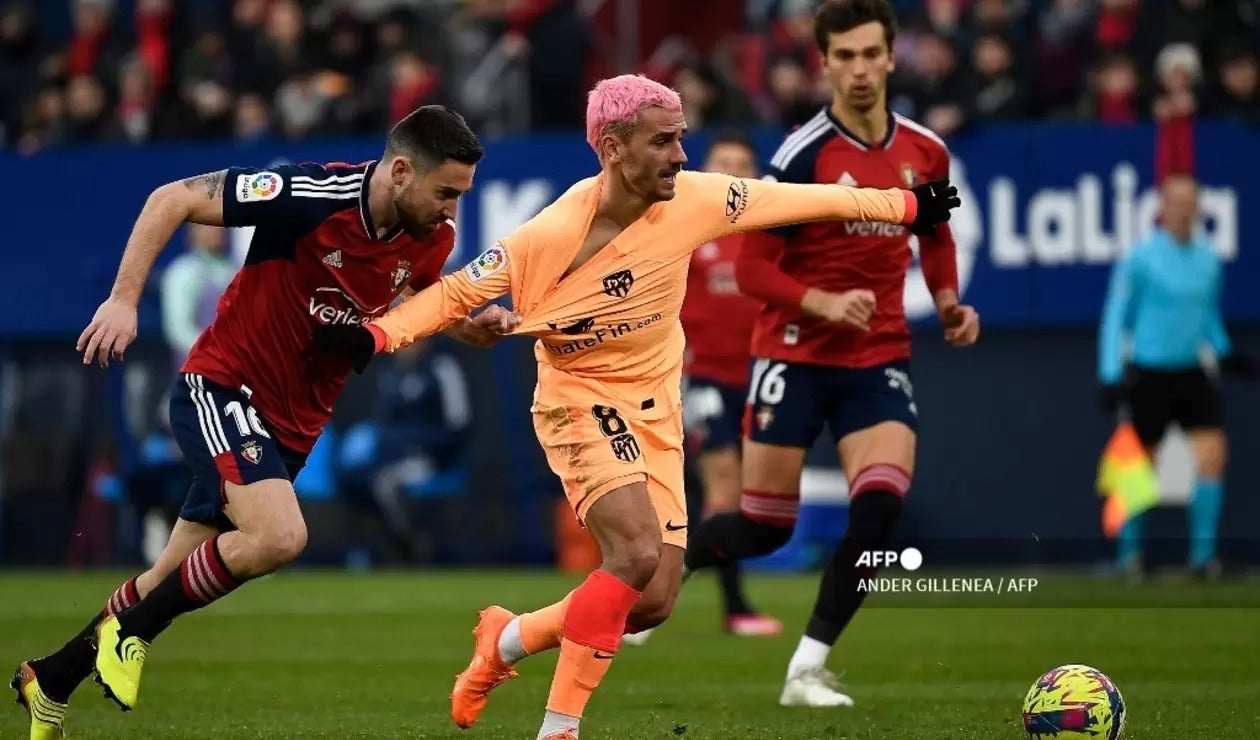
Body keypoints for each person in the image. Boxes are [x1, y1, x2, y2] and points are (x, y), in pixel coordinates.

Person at [312, 73, 960, 739]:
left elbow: (795, 199)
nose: (682, 155)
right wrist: (373, 334)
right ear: (613, 148)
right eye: (664, 142)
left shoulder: (697, 198)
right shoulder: (551, 231)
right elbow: (454, 294)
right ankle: (560, 729)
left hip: (658, 409)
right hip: (578, 399)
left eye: (680, 138)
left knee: (650, 602)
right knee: (634, 554)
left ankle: (506, 639)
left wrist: (907, 207)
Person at [10, 105, 511, 739]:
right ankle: (131, 638)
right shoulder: (307, 193)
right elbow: (171, 199)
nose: (452, 213)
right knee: (280, 537)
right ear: (402, 171)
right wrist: (124, 298)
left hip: (291, 428)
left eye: (460, 197)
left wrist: (471, 327)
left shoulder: (429, 239)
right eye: (446, 193)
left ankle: (50, 679)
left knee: (167, 577)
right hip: (222, 386)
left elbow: (422, 302)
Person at [682, 0, 981, 709]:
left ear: (891, 56)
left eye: (870, 54)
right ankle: (673, 563)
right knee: (762, 525)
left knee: (879, 508)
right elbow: (754, 269)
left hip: (878, 356)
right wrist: (821, 303)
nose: (859, 69)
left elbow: (934, 237)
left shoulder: (925, 152)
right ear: (824, 64)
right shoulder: (800, 157)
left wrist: (946, 303)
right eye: (843, 56)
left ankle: (806, 669)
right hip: (794, 353)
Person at [623, 132, 782, 648]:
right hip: (704, 379)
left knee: (735, 499)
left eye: (743, 163)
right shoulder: (685, 227)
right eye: (724, 163)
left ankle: (651, 595)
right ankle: (731, 606)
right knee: (724, 488)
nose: (734, 172)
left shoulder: (767, 232)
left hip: (759, 379)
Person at [1098, 172, 1256, 579]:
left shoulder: (1209, 262)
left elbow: (1207, 318)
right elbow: (1116, 318)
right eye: (1177, 201)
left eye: (1191, 202)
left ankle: (1203, 561)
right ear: (1162, 208)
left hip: (1192, 374)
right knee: (1138, 467)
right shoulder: (1139, 259)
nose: (1184, 209)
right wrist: (1110, 373)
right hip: (1150, 374)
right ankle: (1128, 559)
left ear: (1198, 208)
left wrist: (1227, 354)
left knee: (1213, 455)